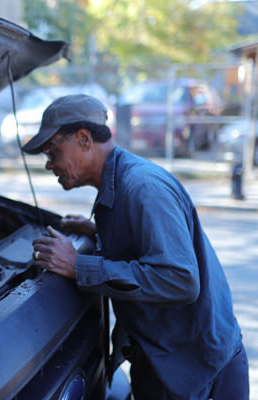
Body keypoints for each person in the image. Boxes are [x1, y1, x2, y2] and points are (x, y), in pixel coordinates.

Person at [23, 94, 249, 400]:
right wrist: (96, 231)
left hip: (200, 374)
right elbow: (143, 249)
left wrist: (78, 265)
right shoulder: (116, 187)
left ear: (84, 139)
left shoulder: (142, 187)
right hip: (163, 365)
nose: (49, 163)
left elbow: (179, 279)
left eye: (52, 150)